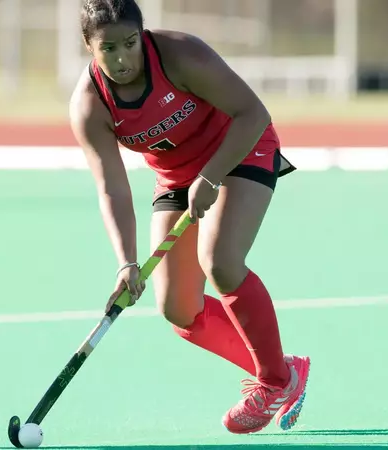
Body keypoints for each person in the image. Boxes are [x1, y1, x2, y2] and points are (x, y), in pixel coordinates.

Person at [69, 0, 310, 435]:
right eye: (109, 49)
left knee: (219, 260)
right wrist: (126, 262)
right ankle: (286, 370)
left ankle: (272, 382)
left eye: (130, 44)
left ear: (143, 37)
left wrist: (211, 175)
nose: (122, 59)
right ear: (89, 46)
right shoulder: (90, 107)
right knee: (178, 308)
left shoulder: (181, 56)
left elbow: (253, 113)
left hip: (240, 148)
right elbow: (113, 187)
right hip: (177, 178)